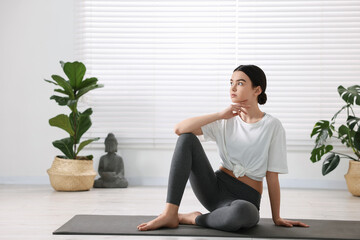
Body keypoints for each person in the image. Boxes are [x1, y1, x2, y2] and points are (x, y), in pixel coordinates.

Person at [137, 64, 309, 232]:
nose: (233, 88)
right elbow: (179, 129)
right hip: (214, 189)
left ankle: (192, 218)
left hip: (246, 200)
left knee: (241, 213)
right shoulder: (224, 120)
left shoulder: (272, 126)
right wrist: (220, 115)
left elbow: (272, 176)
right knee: (187, 138)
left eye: (240, 83)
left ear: (257, 90)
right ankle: (170, 213)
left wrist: (276, 217)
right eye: (231, 82)